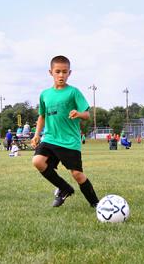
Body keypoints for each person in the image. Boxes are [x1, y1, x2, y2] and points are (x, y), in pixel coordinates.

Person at [31, 55, 99, 208]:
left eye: (64, 72)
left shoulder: (73, 92)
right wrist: (37, 135)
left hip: (69, 141)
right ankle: (64, 188)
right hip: (50, 138)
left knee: (77, 174)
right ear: (51, 72)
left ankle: (95, 204)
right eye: (58, 71)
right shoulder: (45, 94)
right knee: (37, 161)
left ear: (70, 73)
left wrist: (79, 113)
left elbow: (87, 114)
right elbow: (42, 116)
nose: (61, 75)